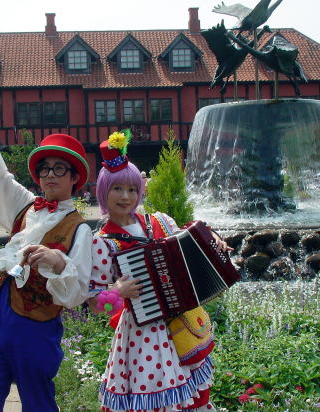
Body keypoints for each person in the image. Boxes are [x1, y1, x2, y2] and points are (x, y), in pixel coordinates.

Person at [0, 108, 93, 412]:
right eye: (45, 169)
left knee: (38, 404)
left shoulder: (80, 229)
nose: (50, 175)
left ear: (74, 177)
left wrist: (58, 263)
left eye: (59, 169)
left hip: (35, 328)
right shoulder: (26, 205)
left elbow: (77, 293)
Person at [88, 131, 223, 411]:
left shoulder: (159, 222)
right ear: (103, 192)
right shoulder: (101, 242)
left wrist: (213, 241)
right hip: (143, 335)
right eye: (117, 189)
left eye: (132, 189)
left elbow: (190, 243)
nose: (126, 196)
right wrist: (117, 292)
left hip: (182, 324)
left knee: (193, 398)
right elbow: (94, 304)